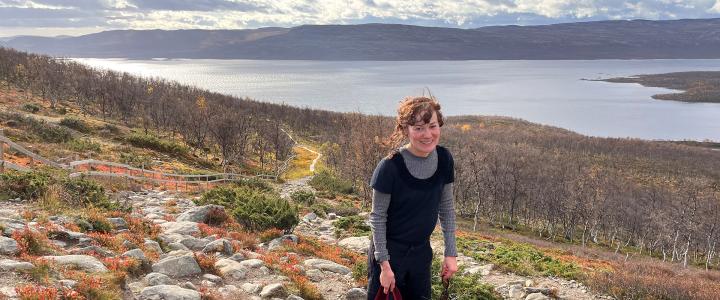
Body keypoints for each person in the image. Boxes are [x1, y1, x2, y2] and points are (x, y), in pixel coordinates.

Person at [367, 96, 458, 299]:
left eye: (432, 126)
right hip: (389, 255)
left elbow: (447, 209)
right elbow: (377, 217)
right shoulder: (389, 167)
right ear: (405, 130)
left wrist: (450, 253)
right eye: (418, 128)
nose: (427, 134)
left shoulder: (444, 159)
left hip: (421, 254)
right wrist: (384, 265)